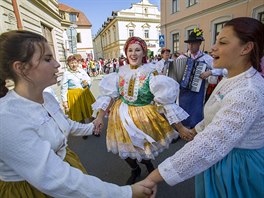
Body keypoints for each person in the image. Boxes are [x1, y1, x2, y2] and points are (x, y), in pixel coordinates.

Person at [0, 30, 156, 198]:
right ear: (21, 68)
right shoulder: (7, 118)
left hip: (66, 167)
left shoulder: (47, 98)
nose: (57, 64)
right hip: (33, 190)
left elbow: (66, 124)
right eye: (47, 59)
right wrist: (127, 193)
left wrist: (93, 126)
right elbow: (58, 179)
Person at [141, 17, 264, 198]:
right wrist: (195, 130)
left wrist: (155, 176)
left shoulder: (248, 91)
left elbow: (210, 143)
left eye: (222, 42)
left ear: (246, 48)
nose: (213, 47)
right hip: (222, 159)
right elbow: (216, 116)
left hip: (237, 169)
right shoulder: (232, 77)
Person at [92, 36, 192, 185]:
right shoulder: (120, 73)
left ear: (144, 53)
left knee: (143, 150)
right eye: (130, 50)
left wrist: (181, 127)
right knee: (123, 150)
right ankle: (135, 170)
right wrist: (99, 117)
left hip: (142, 117)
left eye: (137, 50)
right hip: (120, 116)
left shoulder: (152, 74)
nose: (133, 53)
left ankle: (149, 167)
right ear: (126, 53)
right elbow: (109, 96)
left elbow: (166, 103)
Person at [176, 27, 222, 128]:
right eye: (189, 44)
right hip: (183, 92)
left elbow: (222, 70)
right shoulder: (182, 58)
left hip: (199, 91)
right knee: (181, 108)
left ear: (199, 44)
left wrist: (210, 72)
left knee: (197, 109)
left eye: (194, 43)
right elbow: (174, 73)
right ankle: (182, 129)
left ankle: (195, 129)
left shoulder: (206, 58)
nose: (191, 46)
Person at [61, 55, 96, 139]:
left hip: (84, 94)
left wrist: (87, 83)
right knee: (80, 115)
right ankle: (84, 131)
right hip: (74, 96)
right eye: (71, 63)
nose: (74, 64)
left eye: (75, 62)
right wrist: (65, 102)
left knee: (89, 112)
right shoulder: (66, 74)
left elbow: (89, 79)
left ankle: (95, 128)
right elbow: (63, 88)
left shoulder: (81, 71)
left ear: (78, 63)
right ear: (68, 64)